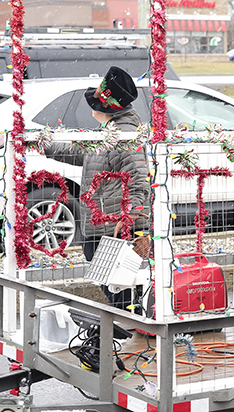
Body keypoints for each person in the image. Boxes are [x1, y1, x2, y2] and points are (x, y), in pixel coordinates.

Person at [45, 66, 149, 309]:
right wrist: (44, 145)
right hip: (102, 223)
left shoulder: (124, 135)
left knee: (119, 286)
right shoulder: (109, 133)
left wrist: (130, 215)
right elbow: (79, 152)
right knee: (114, 284)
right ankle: (127, 326)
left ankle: (127, 329)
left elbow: (139, 177)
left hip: (116, 225)